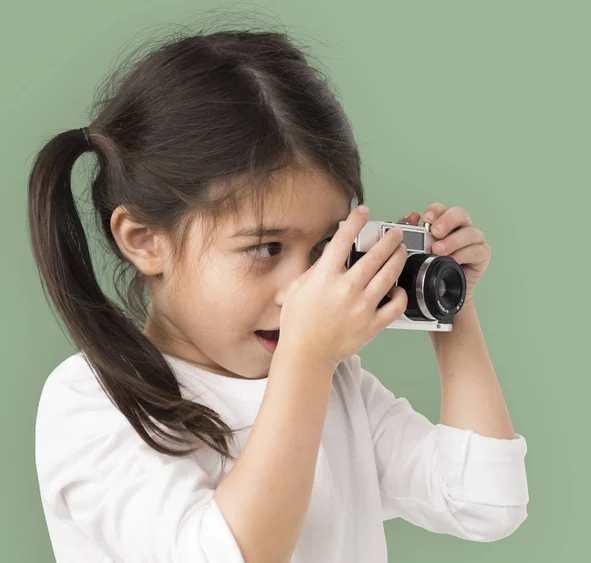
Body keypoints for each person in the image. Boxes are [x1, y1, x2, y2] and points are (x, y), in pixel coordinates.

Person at [28, 27, 528, 563]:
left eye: (325, 248)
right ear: (146, 241)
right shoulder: (93, 402)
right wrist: (307, 360)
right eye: (265, 248)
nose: (300, 291)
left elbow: (485, 503)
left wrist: (450, 310)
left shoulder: (337, 385)